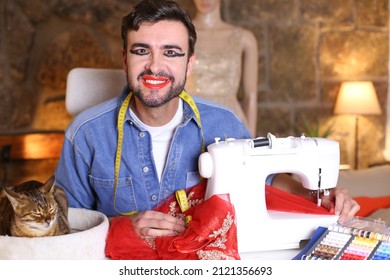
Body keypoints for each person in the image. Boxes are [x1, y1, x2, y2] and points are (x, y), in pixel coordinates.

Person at [55, 0, 359, 241]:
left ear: (190, 63)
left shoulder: (225, 124)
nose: (155, 66)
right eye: (141, 51)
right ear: (124, 59)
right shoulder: (85, 135)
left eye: (171, 53)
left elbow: (264, 178)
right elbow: (64, 225)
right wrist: (122, 227)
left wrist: (319, 196)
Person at [185, 0, 258, 136]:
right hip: (193, 117)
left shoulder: (245, 38)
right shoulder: (182, 35)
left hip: (232, 119)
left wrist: (251, 140)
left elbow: (251, 96)